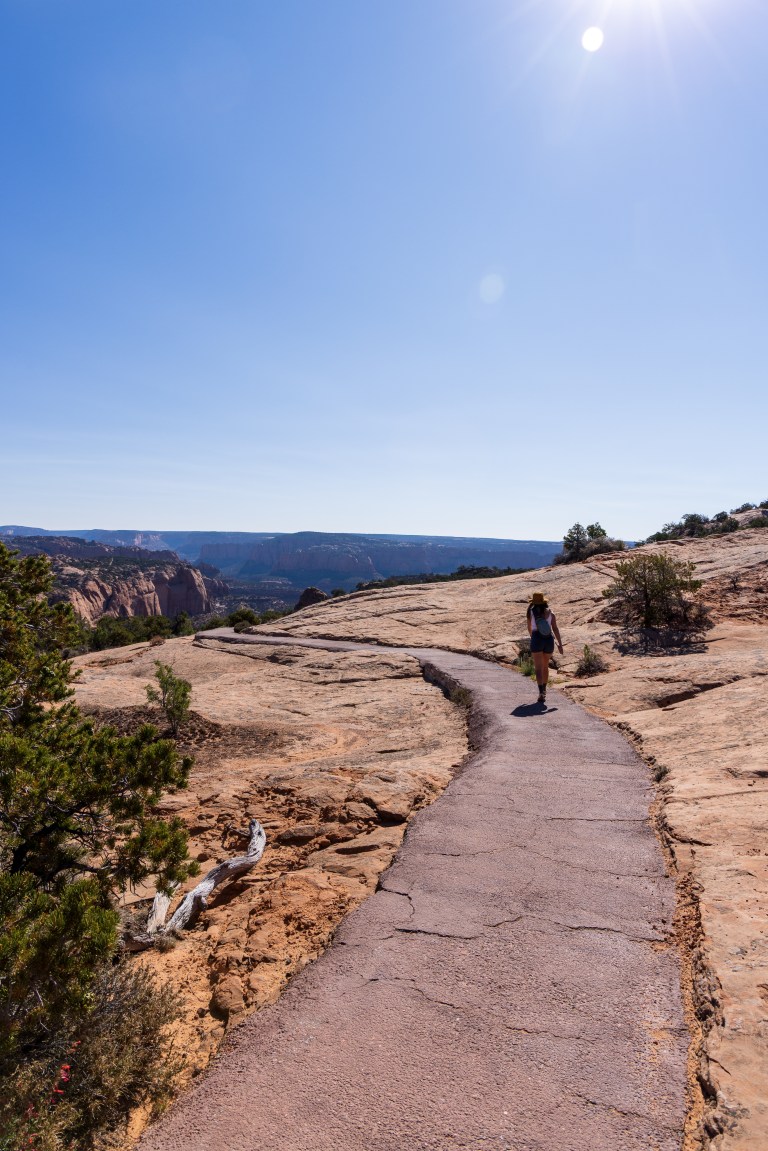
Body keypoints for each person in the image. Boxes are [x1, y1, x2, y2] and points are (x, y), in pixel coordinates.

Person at [526, 591, 563, 705]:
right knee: (545, 666)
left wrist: (534, 639)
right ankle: (545, 690)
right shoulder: (551, 613)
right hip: (548, 640)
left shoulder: (530, 612)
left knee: (538, 668)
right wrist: (560, 644)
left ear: (534, 602)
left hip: (537, 638)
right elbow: (555, 629)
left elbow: (530, 629)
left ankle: (541, 692)